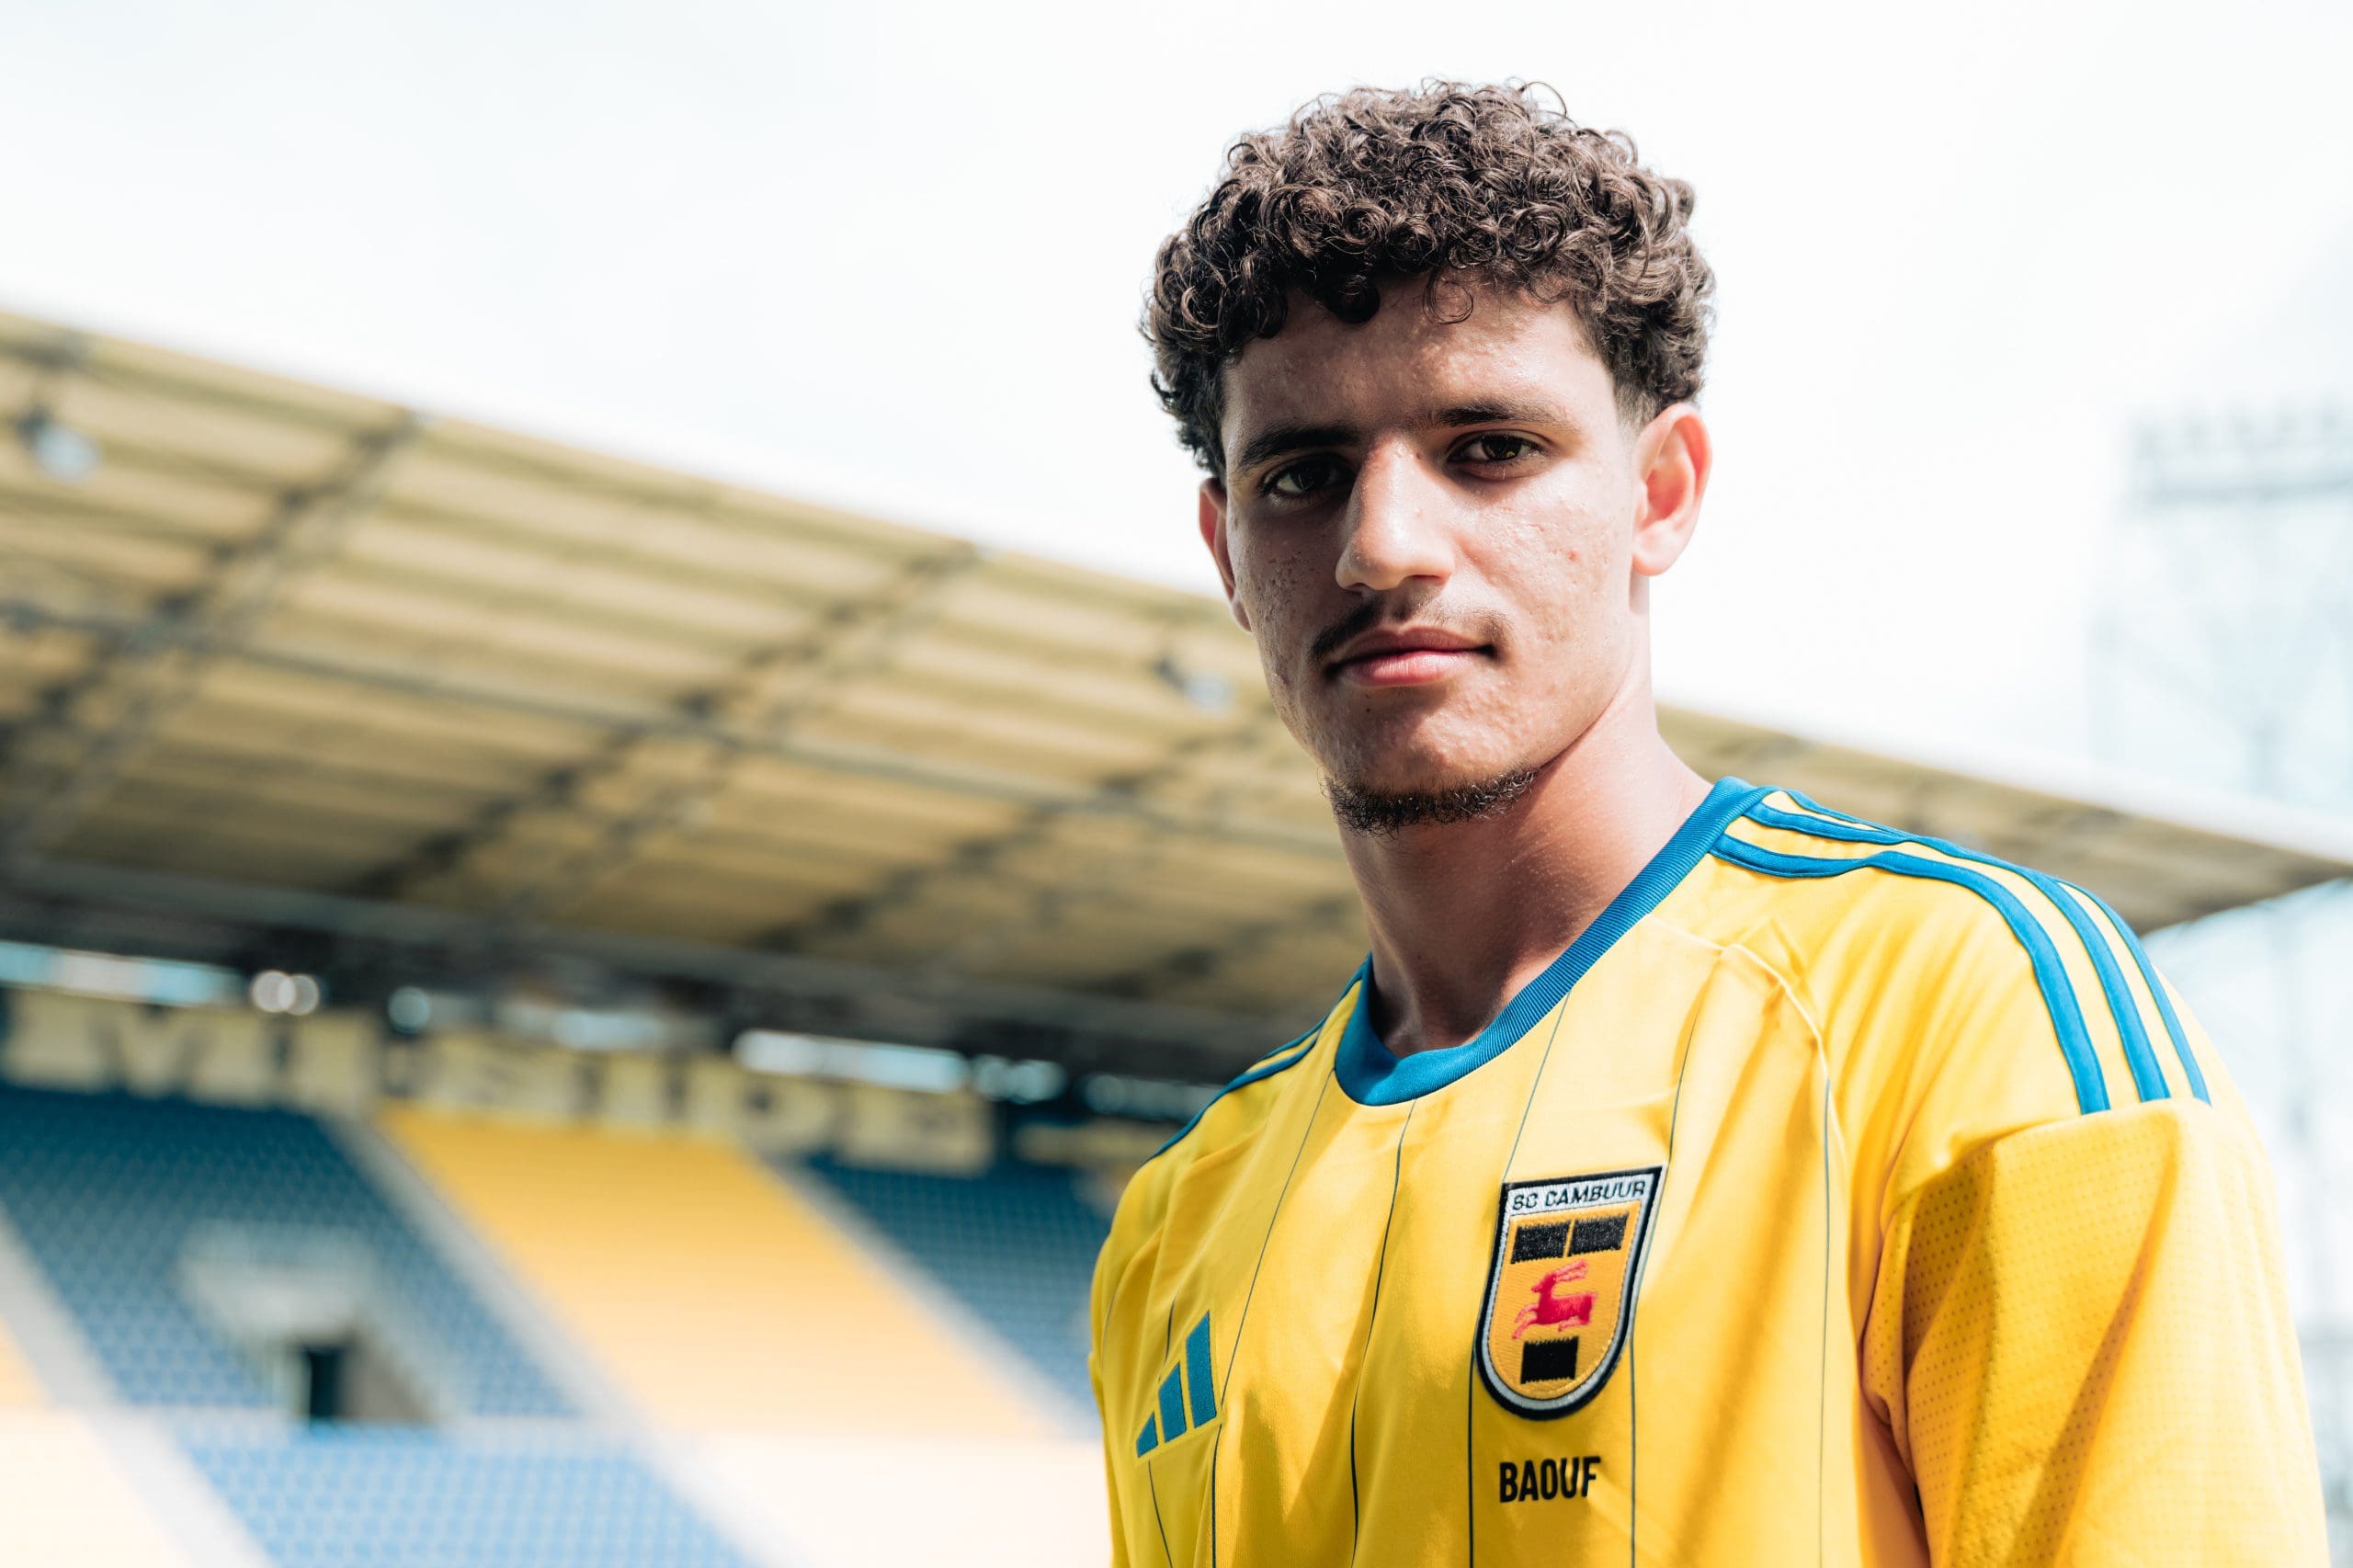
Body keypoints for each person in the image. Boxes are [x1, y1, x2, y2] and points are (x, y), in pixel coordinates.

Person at [1086, 79, 2329, 1565]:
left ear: (1660, 494)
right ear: (1228, 549)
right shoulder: (1175, 1221)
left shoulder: (1963, 1015)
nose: (1384, 544)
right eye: (1302, 474)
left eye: (1489, 448)